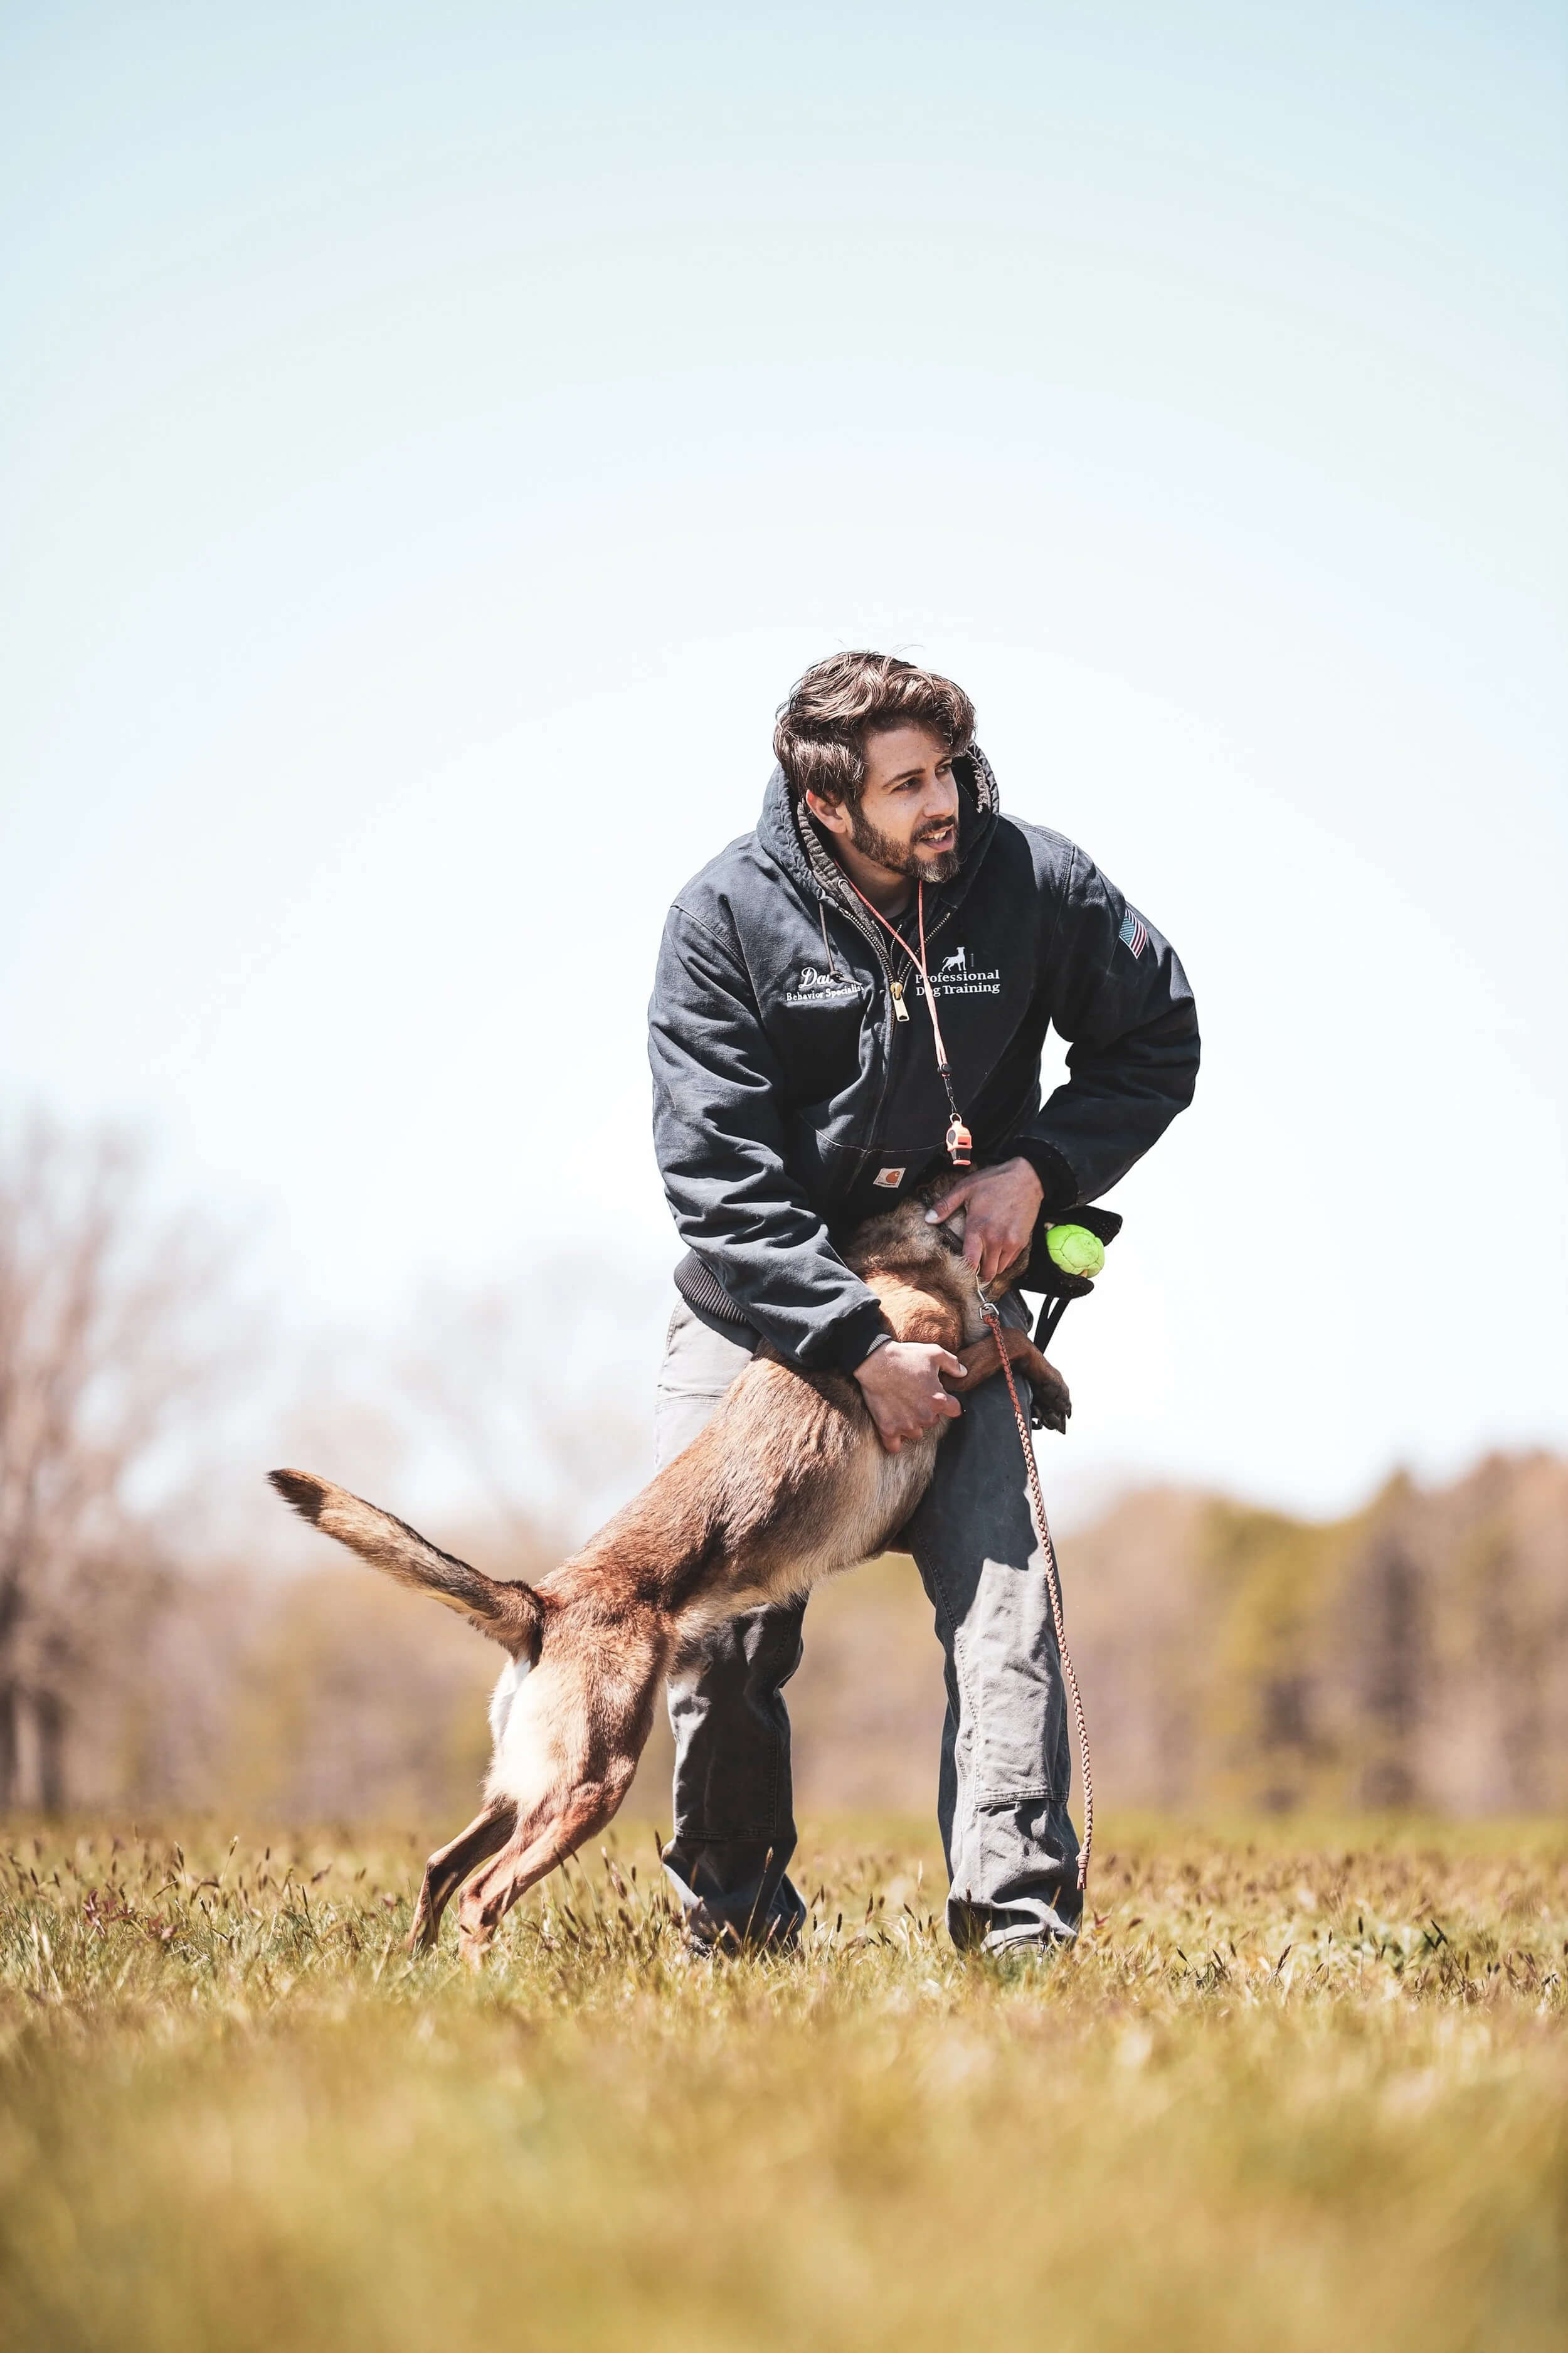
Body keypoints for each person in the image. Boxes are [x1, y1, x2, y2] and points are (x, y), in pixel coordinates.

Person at [647, 652, 1199, 1953]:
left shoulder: (1031, 881)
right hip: (765, 1319)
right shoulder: (722, 919)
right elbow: (714, 1178)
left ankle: (1014, 1934)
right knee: (717, 1637)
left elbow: (1156, 1032)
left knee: (1009, 1601)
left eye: (946, 769)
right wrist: (849, 1346)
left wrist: (1041, 1167)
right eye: (906, 784)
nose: (940, 799)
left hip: (954, 1304)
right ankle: (730, 1932)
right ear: (825, 799)